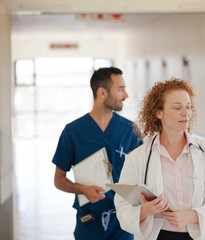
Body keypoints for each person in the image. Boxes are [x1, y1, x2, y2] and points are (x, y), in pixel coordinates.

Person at [114, 79, 205, 240]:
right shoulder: (138, 157)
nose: (185, 113)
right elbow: (122, 206)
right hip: (157, 235)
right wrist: (144, 211)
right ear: (158, 112)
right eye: (177, 108)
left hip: (196, 234)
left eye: (188, 107)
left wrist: (193, 216)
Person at [52, 67, 142, 240]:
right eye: (120, 89)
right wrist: (82, 189)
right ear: (102, 92)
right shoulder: (73, 132)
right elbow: (59, 179)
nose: (126, 95)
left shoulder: (131, 131)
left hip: (123, 221)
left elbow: (144, 173)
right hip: (89, 221)